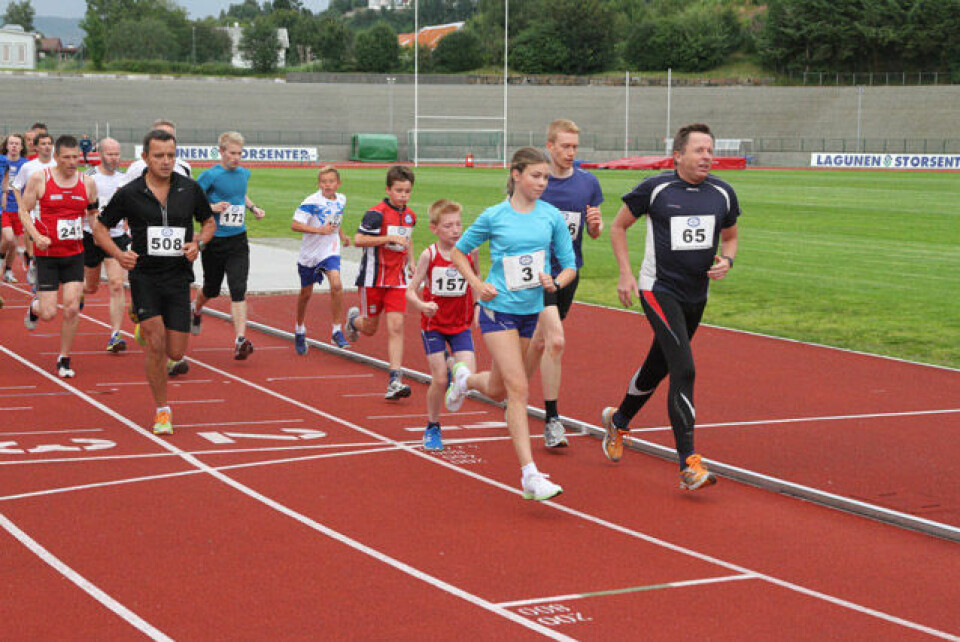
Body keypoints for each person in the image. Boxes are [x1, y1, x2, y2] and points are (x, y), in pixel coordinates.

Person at [601, 123, 740, 491]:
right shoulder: (656, 188)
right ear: (678, 155)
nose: (707, 156)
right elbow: (618, 227)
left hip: (697, 295)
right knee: (684, 368)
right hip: (658, 289)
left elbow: (730, 237)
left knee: (657, 365)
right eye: (699, 150)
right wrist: (626, 274)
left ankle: (619, 420)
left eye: (710, 150)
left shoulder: (723, 193)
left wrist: (727, 260)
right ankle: (688, 464)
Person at [445, 147, 577, 501]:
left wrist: (555, 282)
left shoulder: (551, 216)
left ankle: (463, 379)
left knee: (498, 389)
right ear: (516, 175)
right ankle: (529, 475)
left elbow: (569, 265)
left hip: (532, 311)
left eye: (546, 177)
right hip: (498, 309)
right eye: (536, 175)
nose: (542, 182)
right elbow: (458, 252)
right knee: (518, 390)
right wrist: (477, 285)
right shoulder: (494, 216)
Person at [94, 128, 215, 435]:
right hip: (145, 276)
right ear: (145, 157)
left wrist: (198, 244)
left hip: (178, 277)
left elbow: (209, 222)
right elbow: (100, 229)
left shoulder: (189, 189)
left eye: (171, 155)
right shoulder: (130, 192)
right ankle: (163, 410)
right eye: (159, 156)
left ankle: (142, 323)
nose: (165, 161)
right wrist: (119, 255)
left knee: (176, 353)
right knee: (156, 345)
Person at [527, 119, 604, 448]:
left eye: (575, 146)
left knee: (541, 342)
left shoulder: (588, 184)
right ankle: (552, 420)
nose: (571, 152)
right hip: (537, 275)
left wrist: (596, 225)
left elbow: (593, 232)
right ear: (550, 146)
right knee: (555, 341)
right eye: (565, 146)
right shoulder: (536, 181)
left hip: (568, 274)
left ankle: (512, 389)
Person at [19, 135, 99, 378]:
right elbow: (24, 211)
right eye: (67, 157)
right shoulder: (40, 179)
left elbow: (93, 214)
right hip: (48, 255)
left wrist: (99, 234)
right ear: (56, 157)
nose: (73, 162)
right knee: (48, 313)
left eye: (76, 157)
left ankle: (64, 358)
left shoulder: (87, 182)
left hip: (75, 254)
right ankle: (34, 308)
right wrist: (35, 236)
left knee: (72, 308)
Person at [406, 199, 478, 451]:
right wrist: (421, 305)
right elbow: (411, 290)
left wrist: (478, 306)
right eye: (448, 226)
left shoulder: (470, 252)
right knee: (439, 380)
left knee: (469, 377)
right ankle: (433, 426)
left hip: (460, 325)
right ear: (434, 228)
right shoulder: (430, 255)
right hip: (433, 325)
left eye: (458, 224)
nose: (455, 230)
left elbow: (476, 279)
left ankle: (453, 371)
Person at [123, 119, 191, 375]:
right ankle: (146, 318)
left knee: (174, 333)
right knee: (151, 298)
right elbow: (125, 196)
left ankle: (167, 346)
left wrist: (194, 241)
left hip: (176, 252)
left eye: (170, 148)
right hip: (145, 249)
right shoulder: (136, 169)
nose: (166, 158)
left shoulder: (184, 168)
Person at [190, 131, 265, 360]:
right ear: (221, 152)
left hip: (238, 239)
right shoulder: (210, 175)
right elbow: (193, 200)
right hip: (215, 240)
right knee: (211, 288)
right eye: (232, 153)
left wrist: (253, 208)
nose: (236, 157)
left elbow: (240, 195)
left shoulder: (244, 173)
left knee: (238, 288)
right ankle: (196, 309)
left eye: (240, 153)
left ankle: (240, 340)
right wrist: (211, 207)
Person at [345, 165, 417, 400]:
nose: (403, 196)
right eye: (399, 191)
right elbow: (359, 240)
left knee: (396, 327)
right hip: (373, 279)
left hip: (397, 279)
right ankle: (353, 321)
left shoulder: (410, 215)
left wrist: (412, 262)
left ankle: (395, 379)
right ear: (388, 189)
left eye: (407, 191)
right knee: (370, 328)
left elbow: (408, 239)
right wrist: (387, 238)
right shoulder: (375, 214)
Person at [291, 165, 351, 355]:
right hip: (310, 253)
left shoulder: (341, 199)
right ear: (319, 184)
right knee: (305, 294)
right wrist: (319, 230)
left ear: (338, 183)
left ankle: (336, 330)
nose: (327, 185)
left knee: (336, 284)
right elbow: (295, 225)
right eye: (324, 182)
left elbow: (336, 219)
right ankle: (299, 329)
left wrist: (342, 235)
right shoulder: (311, 202)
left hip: (330, 249)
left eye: (331, 181)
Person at [82, 137, 129, 353]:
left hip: (116, 237)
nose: (114, 158)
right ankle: (78, 291)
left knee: (117, 284)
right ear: (100, 154)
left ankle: (115, 334)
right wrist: (95, 229)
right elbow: (83, 206)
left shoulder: (125, 178)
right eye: (110, 154)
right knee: (90, 287)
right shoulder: (89, 177)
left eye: (117, 154)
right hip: (91, 236)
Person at [12, 131, 57, 287]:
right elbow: (16, 187)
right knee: (38, 241)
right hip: (35, 211)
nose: (47, 147)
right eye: (43, 144)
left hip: (55, 212)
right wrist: (22, 206)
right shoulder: (28, 167)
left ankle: (39, 266)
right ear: (36, 147)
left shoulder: (58, 165)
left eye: (49, 143)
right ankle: (34, 264)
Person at [0, 133, 28, 282]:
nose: (14, 146)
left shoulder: (26, 164)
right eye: (11, 143)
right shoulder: (1, 161)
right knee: (9, 238)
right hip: (4, 207)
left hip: (19, 208)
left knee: (14, 243)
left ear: (21, 147)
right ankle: (1, 260)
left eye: (17, 144)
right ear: (6, 145)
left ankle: (8, 270)